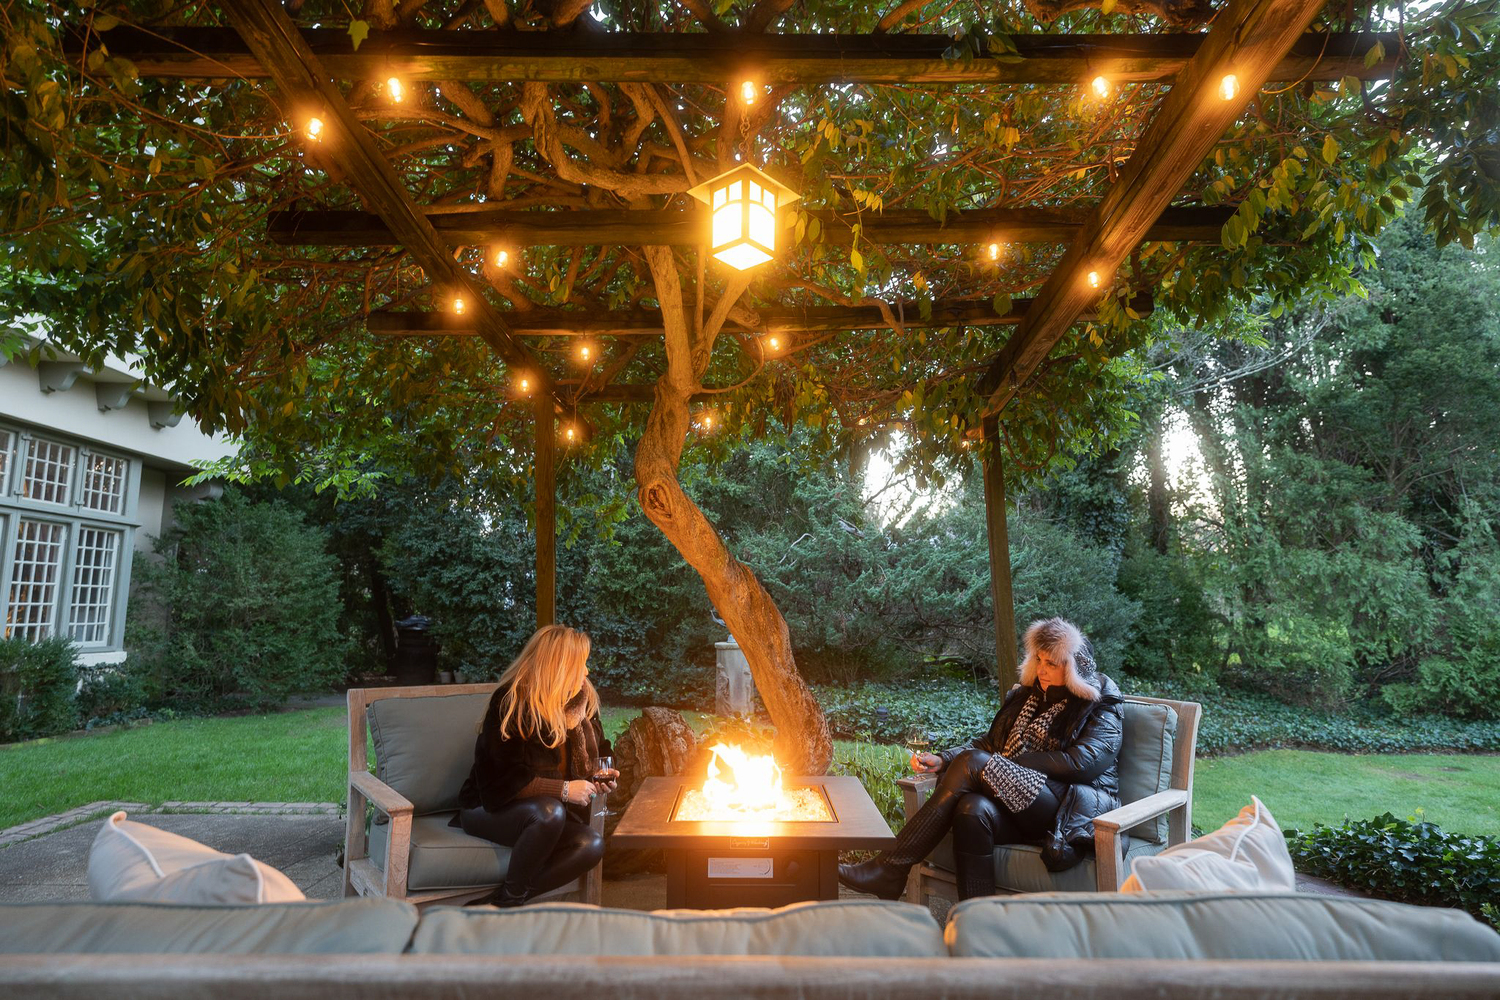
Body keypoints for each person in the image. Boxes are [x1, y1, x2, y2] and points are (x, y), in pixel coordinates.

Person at [839, 617, 1124, 901]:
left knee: (976, 763)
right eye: (1039, 660)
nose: (1041, 670)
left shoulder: (1100, 703)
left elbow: (1082, 763)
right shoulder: (1028, 696)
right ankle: (976, 920)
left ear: (1074, 667)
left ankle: (890, 868)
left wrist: (1010, 765)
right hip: (1020, 804)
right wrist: (944, 758)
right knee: (972, 809)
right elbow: (990, 744)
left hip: (1067, 809)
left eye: (1051, 663)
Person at [453, 624, 619, 907]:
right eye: (581, 664)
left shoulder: (580, 705)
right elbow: (498, 782)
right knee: (550, 811)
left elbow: (599, 754)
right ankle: (508, 902)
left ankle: (504, 902)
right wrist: (565, 790)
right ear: (559, 666)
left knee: (592, 844)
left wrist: (603, 777)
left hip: (545, 817)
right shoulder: (512, 703)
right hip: (487, 808)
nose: (587, 672)